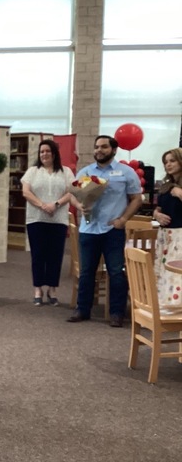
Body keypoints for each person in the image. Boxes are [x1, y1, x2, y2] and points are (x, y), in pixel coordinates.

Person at [68, 135, 142, 327]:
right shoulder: (85, 172)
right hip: (89, 228)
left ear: (114, 150)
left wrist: (124, 219)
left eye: (103, 147)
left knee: (116, 272)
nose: (98, 150)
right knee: (86, 272)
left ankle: (116, 313)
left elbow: (136, 198)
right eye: (96, 147)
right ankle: (82, 309)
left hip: (112, 229)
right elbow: (72, 195)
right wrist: (79, 205)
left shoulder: (126, 172)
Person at [21, 139, 74, 306]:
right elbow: (26, 192)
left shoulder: (65, 172)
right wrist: (43, 205)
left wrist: (56, 204)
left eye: (47, 151)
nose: (44, 154)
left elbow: (71, 192)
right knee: (38, 255)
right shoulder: (33, 171)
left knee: (55, 256)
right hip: (36, 218)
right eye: (41, 151)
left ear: (54, 153)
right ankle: (38, 288)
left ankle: (52, 289)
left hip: (58, 220)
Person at [152, 148, 182, 307]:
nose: (168, 165)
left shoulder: (176, 188)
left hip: (180, 235)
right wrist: (157, 215)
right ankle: (163, 304)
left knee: (175, 270)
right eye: (166, 162)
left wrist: (179, 192)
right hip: (165, 234)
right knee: (163, 269)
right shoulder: (166, 186)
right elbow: (158, 208)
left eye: (172, 161)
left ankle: (176, 306)